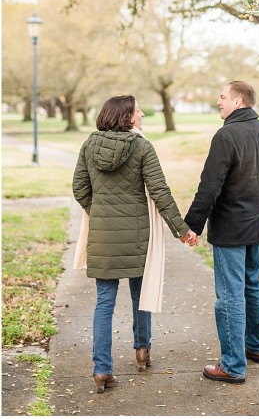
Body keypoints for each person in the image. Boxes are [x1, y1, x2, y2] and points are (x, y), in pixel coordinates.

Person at [72, 94, 198, 394]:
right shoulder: (142, 146)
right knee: (140, 295)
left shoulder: (90, 145)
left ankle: (102, 369)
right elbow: (160, 191)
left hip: (102, 235)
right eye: (138, 111)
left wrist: (101, 213)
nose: (141, 115)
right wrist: (181, 230)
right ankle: (142, 350)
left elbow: (79, 188)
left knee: (104, 303)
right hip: (138, 235)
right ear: (126, 116)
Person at [184, 80, 259, 385]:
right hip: (258, 224)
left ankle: (233, 365)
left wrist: (192, 225)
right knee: (252, 285)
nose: (218, 101)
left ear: (238, 101)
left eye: (222, 97)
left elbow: (209, 187)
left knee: (229, 295)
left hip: (231, 228)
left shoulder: (226, 135)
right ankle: (257, 348)